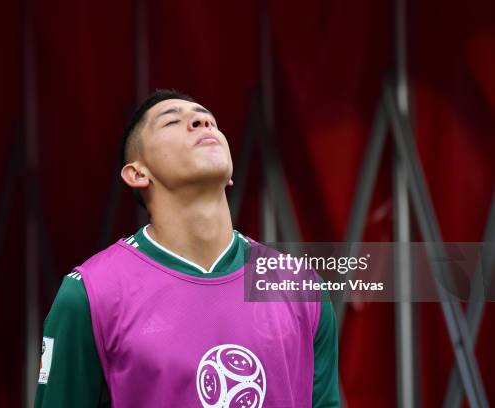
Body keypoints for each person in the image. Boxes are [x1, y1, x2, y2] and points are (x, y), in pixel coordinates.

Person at [34, 89, 339, 407]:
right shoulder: (90, 295)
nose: (202, 121)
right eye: (172, 122)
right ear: (138, 173)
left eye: (208, 119)